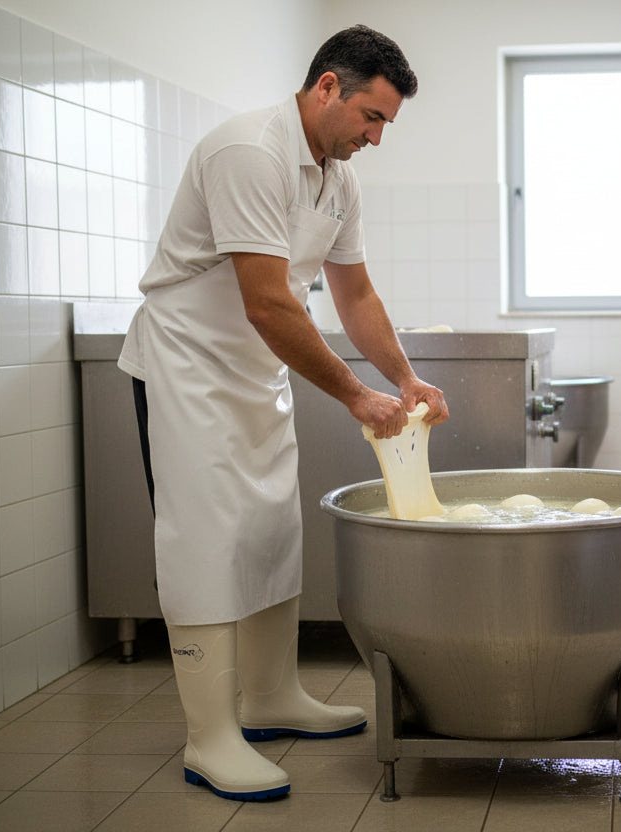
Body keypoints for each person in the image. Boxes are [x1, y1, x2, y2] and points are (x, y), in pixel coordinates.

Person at [118, 25, 448, 801]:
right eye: (372, 117)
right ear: (328, 86)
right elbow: (267, 302)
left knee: (270, 530)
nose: (376, 137)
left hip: (256, 375)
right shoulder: (249, 152)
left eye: (386, 124)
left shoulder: (337, 181)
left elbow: (355, 294)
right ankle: (209, 738)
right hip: (188, 371)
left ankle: (270, 697)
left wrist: (404, 380)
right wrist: (355, 394)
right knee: (205, 545)